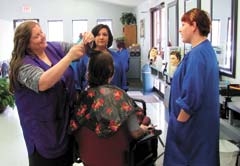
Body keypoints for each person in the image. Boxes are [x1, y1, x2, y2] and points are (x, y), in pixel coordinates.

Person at [8, 21, 93, 166]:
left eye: (41, 32)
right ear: (26, 43)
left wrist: (86, 40)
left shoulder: (53, 47)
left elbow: (78, 50)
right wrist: (68, 58)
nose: (42, 36)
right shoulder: (22, 65)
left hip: (64, 126)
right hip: (43, 133)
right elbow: (43, 82)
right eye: (36, 36)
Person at [69, 50, 151, 165]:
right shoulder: (121, 97)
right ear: (111, 73)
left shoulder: (82, 98)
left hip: (88, 157)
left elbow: (74, 129)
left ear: (89, 73)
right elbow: (135, 133)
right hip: (117, 159)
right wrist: (143, 128)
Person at [163, 8, 219, 166]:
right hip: (200, 130)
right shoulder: (206, 50)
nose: (180, 29)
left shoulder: (197, 56)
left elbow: (191, 98)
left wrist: (178, 126)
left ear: (194, 25)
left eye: (183, 24)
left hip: (190, 133)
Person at [74, 24, 126, 91]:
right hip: (90, 98)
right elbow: (77, 80)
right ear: (93, 37)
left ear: (109, 38)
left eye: (105, 35)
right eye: (98, 35)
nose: (101, 37)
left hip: (114, 97)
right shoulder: (84, 57)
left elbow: (123, 80)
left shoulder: (117, 58)